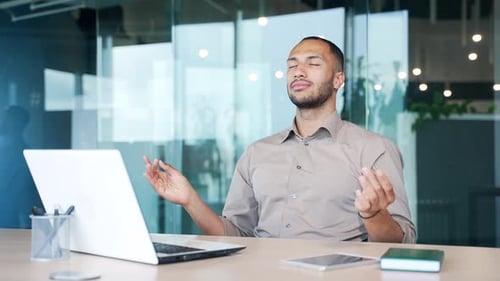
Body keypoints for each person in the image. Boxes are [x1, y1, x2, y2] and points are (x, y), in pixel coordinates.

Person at [144, 36, 416, 243]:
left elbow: (403, 242)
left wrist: (374, 215)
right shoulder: (257, 152)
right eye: (292, 65)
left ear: (338, 79)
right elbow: (235, 235)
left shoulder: (373, 149)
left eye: (313, 63)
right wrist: (190, 199)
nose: (299, 71)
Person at [0, 105, 43, 228]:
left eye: (8, 118)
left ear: (18, 123)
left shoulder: (26, 155)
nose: (3, 121)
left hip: (13, 215)